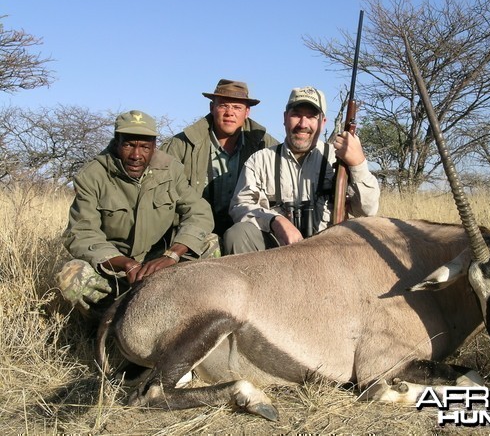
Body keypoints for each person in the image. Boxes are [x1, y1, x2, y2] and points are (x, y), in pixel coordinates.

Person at [56, 110, 217, 323]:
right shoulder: (92, 175)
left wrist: (172, 255)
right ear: (116, 143)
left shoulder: (171, 170)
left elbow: (199, 213)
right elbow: (81, 233)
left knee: (210, 243)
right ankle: (108, 326)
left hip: (159, 264)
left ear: (153, 147)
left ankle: (194, 320)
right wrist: (124, 264)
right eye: (129, 145)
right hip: (115, 269)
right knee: (71, 274)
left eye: (144, 147)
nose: (136, 155)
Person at [224, 86, 380, 254]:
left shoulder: (339, 158)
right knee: (237, 234)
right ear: (285, 118)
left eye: (311, 116)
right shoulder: (260, 160)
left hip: (329, 253)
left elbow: (367, 211)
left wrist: (358, 164)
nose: (303, 124)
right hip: (276, 253)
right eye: (296, 114)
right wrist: (275, 221)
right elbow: (240, 206)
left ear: (323, 122)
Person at [161, 79, 278, 237]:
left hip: (245, 233)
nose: (230, 112)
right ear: (212, 107)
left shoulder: (267, 146)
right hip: (191, 231)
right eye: (223, 105)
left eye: (237, 107)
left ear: (247, 112)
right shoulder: (181, 144)